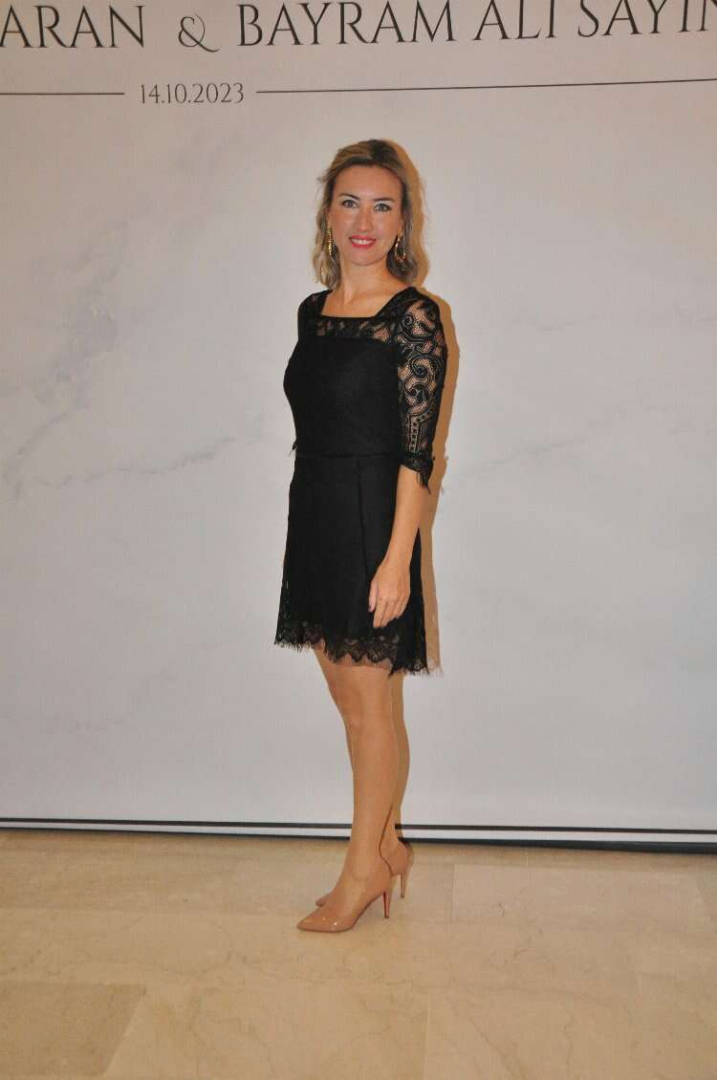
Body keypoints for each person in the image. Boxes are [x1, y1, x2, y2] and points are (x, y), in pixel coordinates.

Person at [273, 138, 449, 932]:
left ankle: (362, 868)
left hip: (374, 519)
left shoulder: (414, 318)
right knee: (349, 701)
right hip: (314, 512)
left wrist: (396, 560)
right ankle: (385, 847)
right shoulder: (312, 313)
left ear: (402, 221)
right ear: (328, 214)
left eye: (382, 205)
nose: (364, 220)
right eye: (349, 202)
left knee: (369, 706)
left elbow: (417, 455)